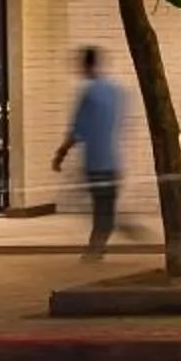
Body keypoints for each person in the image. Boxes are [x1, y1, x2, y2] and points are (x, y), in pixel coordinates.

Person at [49, 46, 124, 264]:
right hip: (112, 158)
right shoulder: (115, 91)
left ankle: (97, 247)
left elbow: (77, 129)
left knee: (98, 206)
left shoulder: (89, 93)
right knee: (104, 206)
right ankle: (99, 245)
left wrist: (60, 154)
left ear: (86, 65)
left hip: (96, 162)